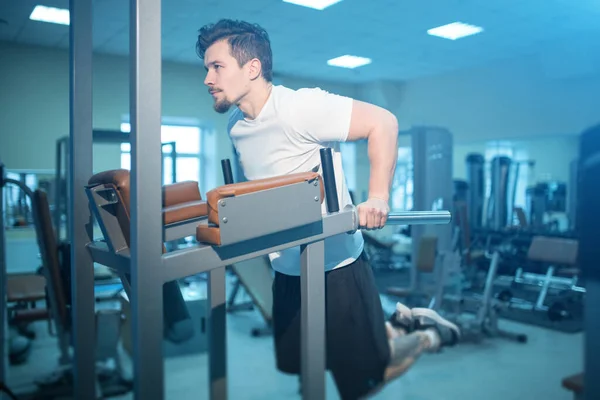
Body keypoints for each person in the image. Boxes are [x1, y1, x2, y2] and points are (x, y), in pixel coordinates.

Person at [196, 19, 461, 399]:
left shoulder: (300, 107)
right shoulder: (236, 126)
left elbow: (383, 123)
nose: (207, 78)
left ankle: (421, 335)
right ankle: (392, 326)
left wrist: (378, 197)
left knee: (365, 379)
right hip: (287, 271)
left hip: (336, 270)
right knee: (304, 369)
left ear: (251, 68)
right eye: (207, 68)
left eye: (216, 66)